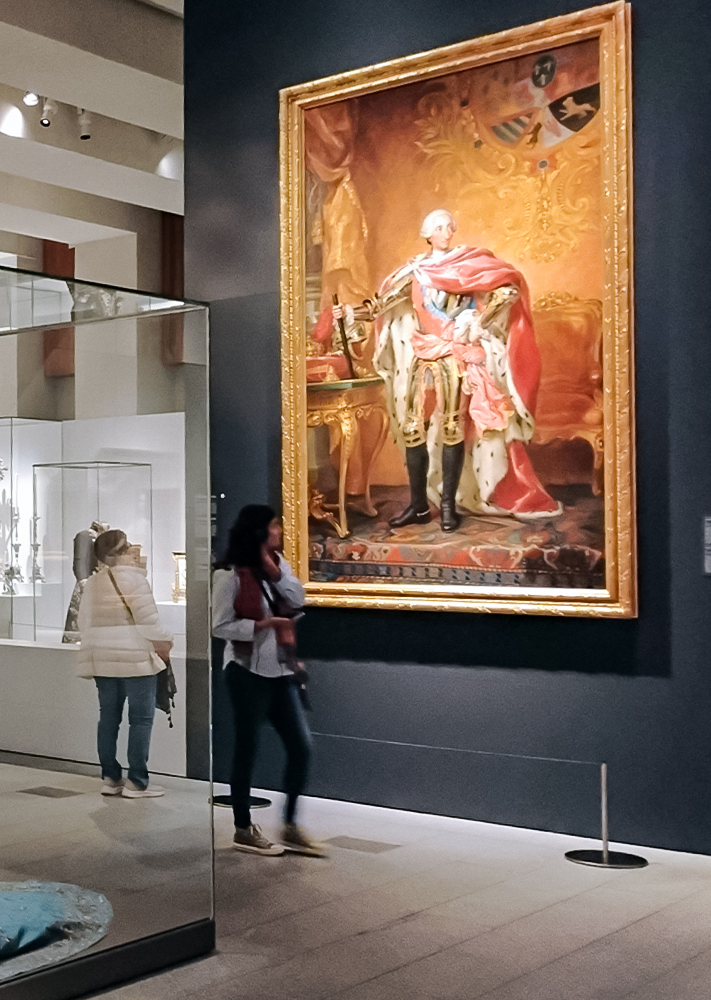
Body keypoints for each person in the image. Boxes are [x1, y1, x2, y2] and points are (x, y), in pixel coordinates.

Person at [341, 208, 558, 531]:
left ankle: (447, 506)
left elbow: (507, 290)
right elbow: (378, 306)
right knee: (412, 428)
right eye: (439, 228)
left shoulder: (467, 266)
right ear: (427, 234)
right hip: (420, 357)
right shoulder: (414, 271)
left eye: (449, 227)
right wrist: (345, 314)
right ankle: (418, 506)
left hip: (455, 357)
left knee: (452, 428)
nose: (447, 233)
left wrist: (477, 323)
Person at [211, 505, 323, 857]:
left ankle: (290, 825)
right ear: (259, 530)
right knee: (248, 749)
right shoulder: (229, 574)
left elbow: (298, 599)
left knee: (301, 747)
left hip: (281, 669)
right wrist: (261, 625)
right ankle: (243, 828)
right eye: (275, 526)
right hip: (246, 671)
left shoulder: (278, 565)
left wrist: (276, 573)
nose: (279, 532)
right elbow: (219, 625)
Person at [75, 529, 172, 799]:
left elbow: (84, 622)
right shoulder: (135, 580)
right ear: (122, 551)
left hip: (102, 659)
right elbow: (149, 622)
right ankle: (137, 781)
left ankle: (110, 777)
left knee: (108, 718)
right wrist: (166, 641)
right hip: (135, 659)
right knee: (140, 719)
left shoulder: (93, 583)